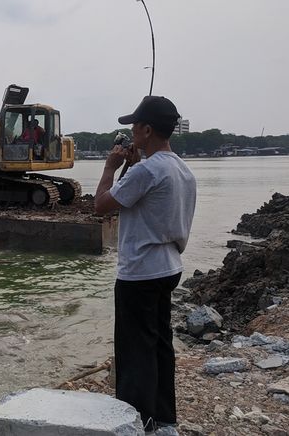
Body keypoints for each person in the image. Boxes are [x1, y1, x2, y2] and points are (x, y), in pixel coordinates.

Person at [94, 95, 197, 433]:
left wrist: (110, 167)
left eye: (135, 126)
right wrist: (130, 167)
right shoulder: (181, 169)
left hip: (139, 272)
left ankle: (138, 422)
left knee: (135, 351)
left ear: (147, 129)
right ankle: (165, 418)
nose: (131, 132)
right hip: (168, 267)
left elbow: (102, 205)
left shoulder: (148, 170)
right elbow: (136, 198)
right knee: (160, 345)